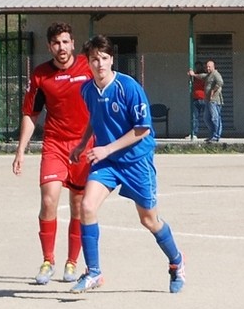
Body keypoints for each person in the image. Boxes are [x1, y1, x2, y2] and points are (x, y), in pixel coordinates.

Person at [68, 34, 185, 294]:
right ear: (88, 62)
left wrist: (107, 148)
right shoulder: (87, 90)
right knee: (87, 206)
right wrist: (82, 144)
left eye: (104, 58)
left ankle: (176, 262)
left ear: (112, 60)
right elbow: (95, 118)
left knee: (149, 220)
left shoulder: (128, 87)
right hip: (107, 162)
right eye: (94, 59)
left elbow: (142, 129)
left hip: (136, 161)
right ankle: (94, 272)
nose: (100, 64)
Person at [13, 22, 91, 285]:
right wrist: (21, 150)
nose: (61, 47)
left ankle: (72, 261)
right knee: (49, 200)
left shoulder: (87, 67)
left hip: (83, 145)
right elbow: (31, 113)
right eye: (56, 43)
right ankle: (48, 260)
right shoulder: (41, 75)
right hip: (55, 145)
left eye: (65, 42)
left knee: (78, 205)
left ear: (73, 44)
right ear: (49, 46)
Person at [189, 60, 223, 142]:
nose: (208, 68)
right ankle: (212, 134)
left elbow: (220, 82)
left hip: (214, 100)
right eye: (207, 67)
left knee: (215, 118)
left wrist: (213, 91)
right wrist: (193, 75)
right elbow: (202, 76)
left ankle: (216, 135)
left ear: (213, 67)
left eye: (209, 67)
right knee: (206, 118)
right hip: (208, 100)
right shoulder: (208, 75)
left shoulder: (215, 74)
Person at [189, 61, 206, 140]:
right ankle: (194, 133)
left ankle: (213, 133)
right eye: (196, 67)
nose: (197, 68)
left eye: (199, 66)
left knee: (208, 116)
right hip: (195, 98)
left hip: (204, 98)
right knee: (194, 117)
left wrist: (193, 75)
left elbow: (202, 77)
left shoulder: (204, 75)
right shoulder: (195, 76)